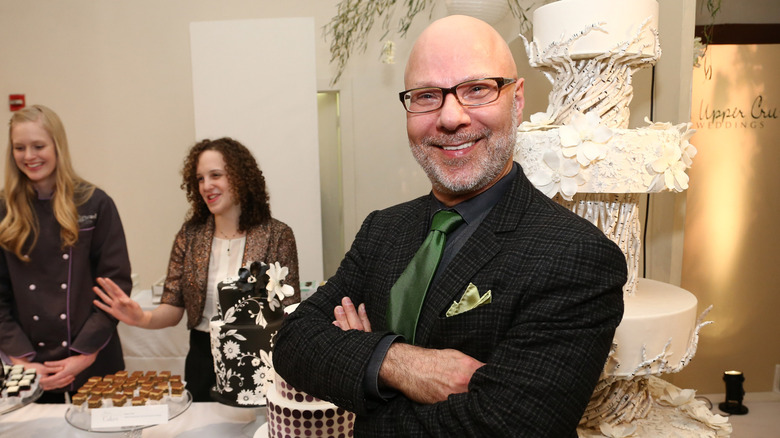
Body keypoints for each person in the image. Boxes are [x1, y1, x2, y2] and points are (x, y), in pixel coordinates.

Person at [273, 16, 627, 437]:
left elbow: (510, 428)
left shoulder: (576, 255)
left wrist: (361, 376)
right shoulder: (382, 229)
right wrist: (400, 363)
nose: (451, 117)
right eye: (427, 95)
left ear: (516, 101)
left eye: (477, 89)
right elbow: (295, 343)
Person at [93, 137, 300, 402]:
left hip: (262, 360)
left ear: (240, 177)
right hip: (203, 359)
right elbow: (173, 307)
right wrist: (141, 318)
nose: (206, 186)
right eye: (200, 178)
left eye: (215, 175)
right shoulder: (189, 236)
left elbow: (290, 308)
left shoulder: (276, 234)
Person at [0, 105, 132, 403]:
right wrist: (23, 360)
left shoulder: (94, 204)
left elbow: (115, 287)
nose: (29, 156)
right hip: (29, 369)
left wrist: (83, 354)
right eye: (19, 148)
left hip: (93, 362)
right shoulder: (3, 210)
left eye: (38, 146)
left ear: (57, 146)